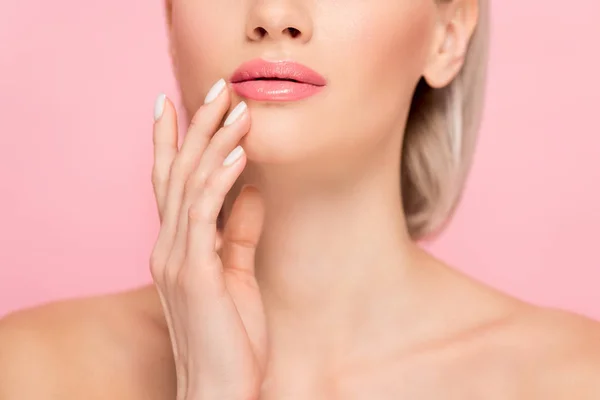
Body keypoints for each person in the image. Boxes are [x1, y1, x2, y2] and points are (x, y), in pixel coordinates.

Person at [1, 0, 600, 398]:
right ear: (170, 20)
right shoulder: (28, 372)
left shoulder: (574, 380)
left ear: (447, 34)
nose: (274, 15)